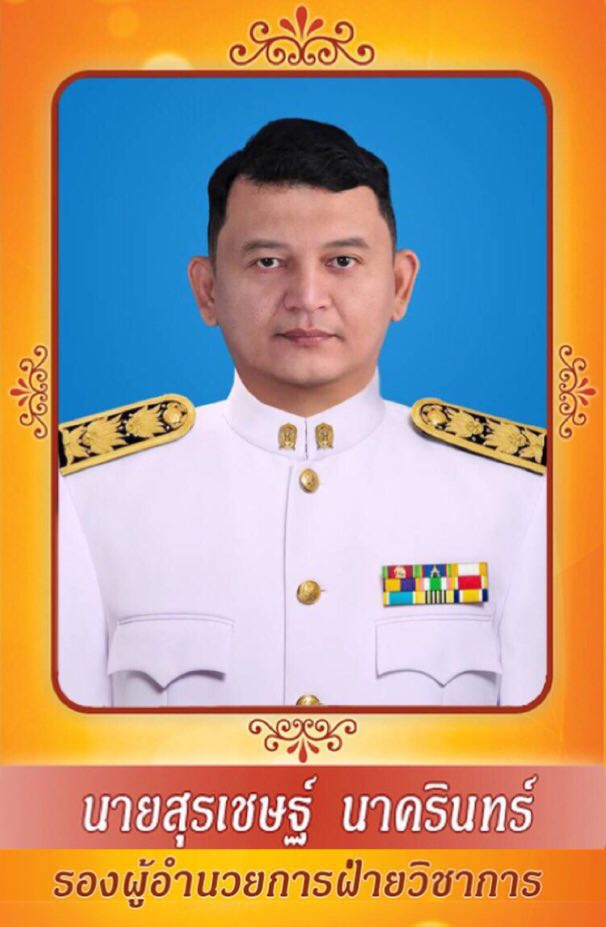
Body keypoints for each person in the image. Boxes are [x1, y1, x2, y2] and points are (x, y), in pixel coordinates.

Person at [58, 118, 547, 709]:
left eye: (342, 260)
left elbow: (550, 753)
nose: (307, 298)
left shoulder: (519, 496)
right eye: (268, 262)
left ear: (399, 285)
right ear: (208, 290)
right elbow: (58, 753)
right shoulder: (87, 496)